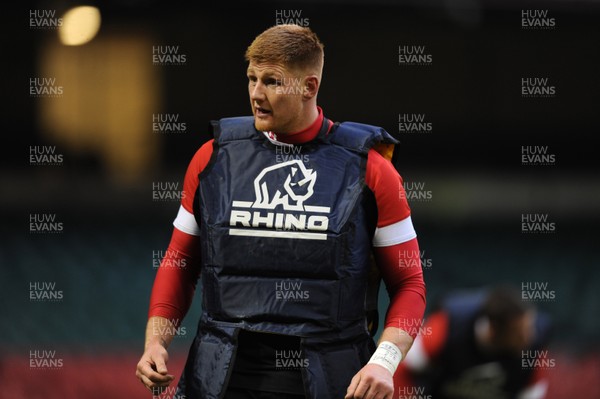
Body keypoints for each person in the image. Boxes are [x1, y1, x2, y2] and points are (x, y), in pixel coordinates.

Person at [136, 24, 426, 399]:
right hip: (219, 376)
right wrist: (156, 342)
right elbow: (179, 262)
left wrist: (383, 362)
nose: (256, 93)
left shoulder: (370, 170)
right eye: (251, 78)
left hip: (331, 376)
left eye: (272, 81)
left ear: (309, 87)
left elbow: (409, 283)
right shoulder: (212, 158)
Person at [396, 286, 552, 399]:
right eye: (519, 333)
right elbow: (403, 368)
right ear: (493, 331)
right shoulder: (448, 325)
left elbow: (532, 392)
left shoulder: (535, 345)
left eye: (530, 327)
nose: (529, 337)